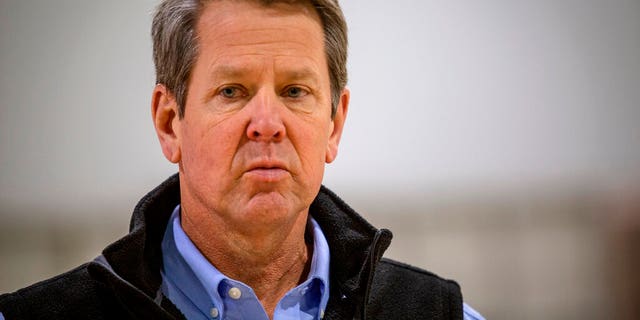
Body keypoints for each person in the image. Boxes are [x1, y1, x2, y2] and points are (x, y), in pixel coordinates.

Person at [0, 0, 484, 319]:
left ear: (334, 125)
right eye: (233, 91)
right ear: (171, 123)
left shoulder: (437, 313)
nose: (268, 122)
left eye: (296, 91)